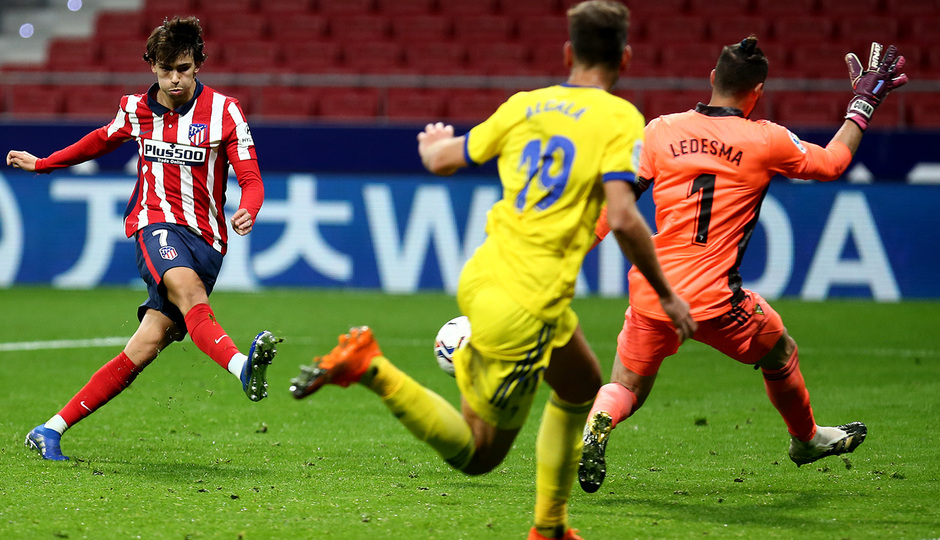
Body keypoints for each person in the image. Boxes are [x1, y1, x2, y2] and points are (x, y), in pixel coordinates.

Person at [288, 2, 695, 538]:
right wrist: (666, 293)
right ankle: (371, 368)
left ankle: (549, 526)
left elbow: (441, 159)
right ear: (626, 58)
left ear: (567, 53)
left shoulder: (525, 105)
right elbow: (621, 213)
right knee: (478, 453)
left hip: (486, 272)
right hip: (528, 301)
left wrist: (433, 142)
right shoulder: (620, 118)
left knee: (582, 384)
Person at [577, 37, 908, 494]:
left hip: (652, 293)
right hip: (715, 301)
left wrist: (569, 256)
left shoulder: (659, 131)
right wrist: (863, 103)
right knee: (781, 352)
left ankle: (597, 424)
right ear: (758, 92)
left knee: (627, 387)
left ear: (712, 79)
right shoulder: (766, 139)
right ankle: (806, 440)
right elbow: (833, 163)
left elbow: (610, 206)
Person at [7, 16, 279, 462]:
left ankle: (49, 429)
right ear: (152, 65)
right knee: (188, 292)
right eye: (167, 68)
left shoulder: (225, 112)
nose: (176, 78)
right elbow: (98, 141)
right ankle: (242, 368)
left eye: (185, 69)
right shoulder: (135, 109)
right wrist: (43, 164)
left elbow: (250, 175)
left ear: (198, 66)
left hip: (208, 240)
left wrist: (250, 206)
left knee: (146, 344)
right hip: (155, 225)